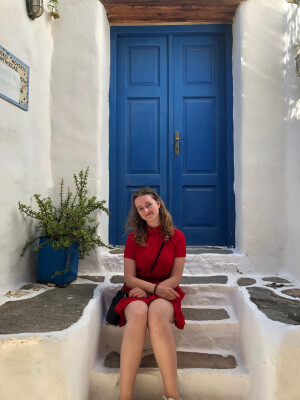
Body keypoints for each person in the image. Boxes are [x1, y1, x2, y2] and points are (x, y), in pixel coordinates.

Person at [115, 187, 186, 400]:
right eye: (140, 208)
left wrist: (158, 291)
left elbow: (175, 277)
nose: (146, 210)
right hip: (138, 289)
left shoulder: (177, 236)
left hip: (166, 289)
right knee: (137, 315)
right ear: (137, 213)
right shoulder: (133, 238)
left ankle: (172, 395)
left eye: (148, 204)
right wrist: (150, 290)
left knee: (156, 314)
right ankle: (124, 397)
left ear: (159, 204)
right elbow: (129, 278)